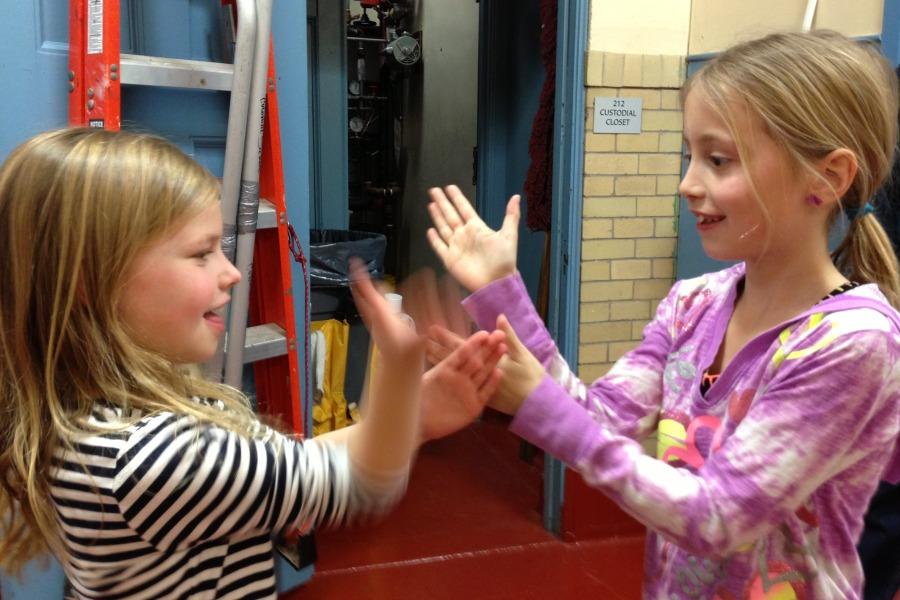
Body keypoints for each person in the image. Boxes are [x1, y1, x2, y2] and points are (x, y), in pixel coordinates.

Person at [426, 30, 900, 599]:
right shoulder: (693, 305)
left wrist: (536, 401)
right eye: (689, 156)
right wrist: (503, 292)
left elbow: (719, 517)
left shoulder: (852, 343)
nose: (687, 184)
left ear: (827, 177)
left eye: (718, 160)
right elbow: (599, 418)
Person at [0, 127, 504, 599]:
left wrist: (415, 417)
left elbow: (296, 465)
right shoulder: (149, 459)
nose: (231, 274)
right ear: (92, 281)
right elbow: (356, 480)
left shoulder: (109, 412)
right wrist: (398, 374)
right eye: (201, 254)